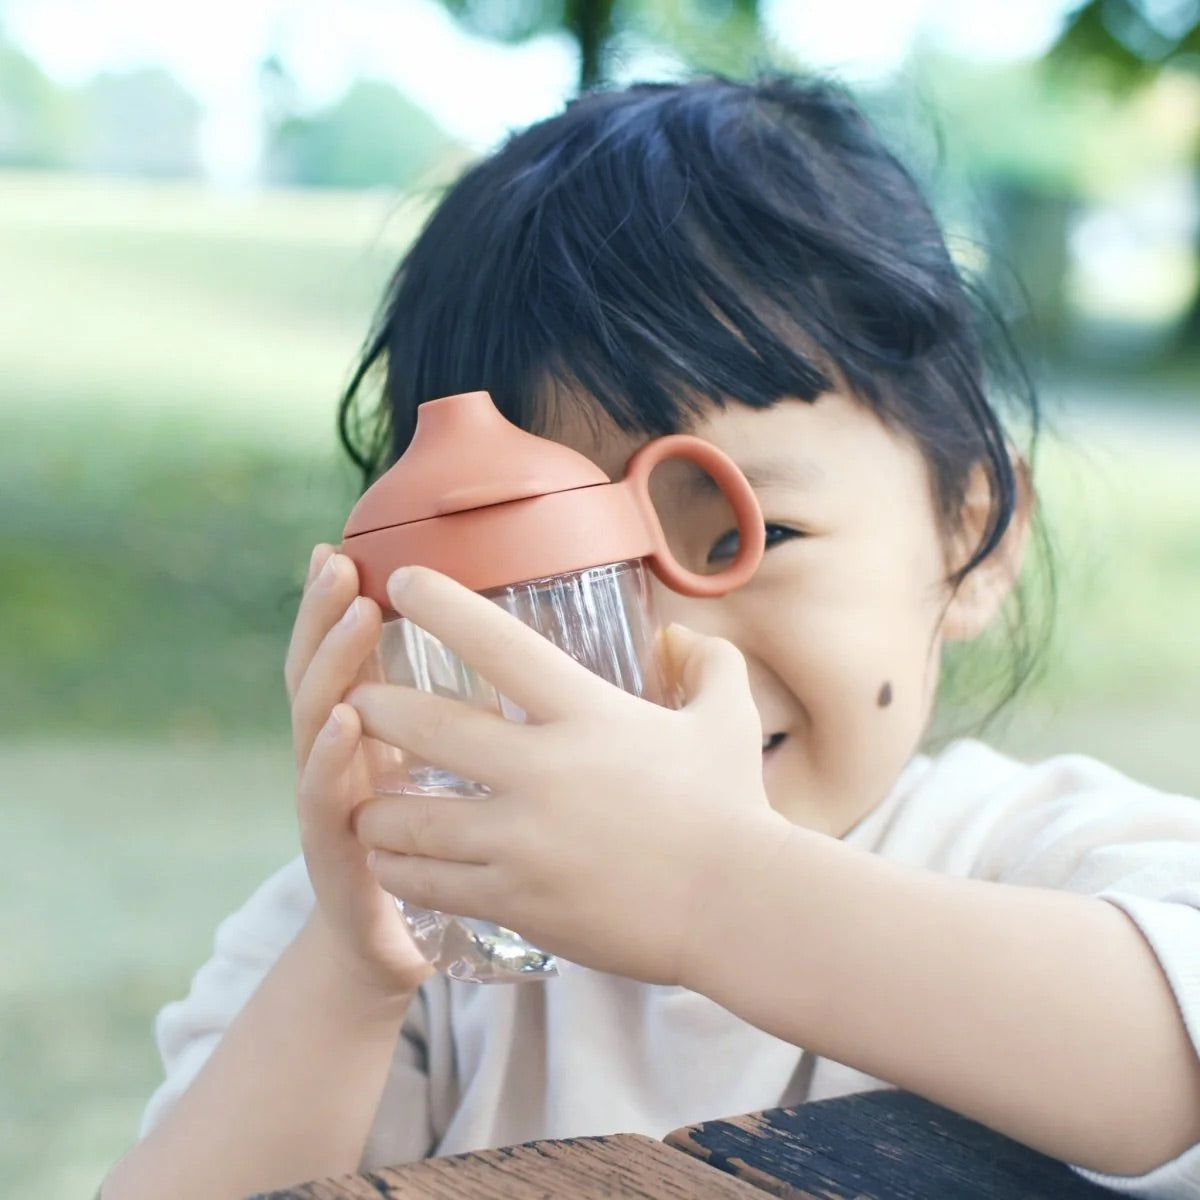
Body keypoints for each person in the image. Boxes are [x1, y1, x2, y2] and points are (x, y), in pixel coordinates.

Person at [101, 75, 1200, 1200]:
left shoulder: (1030, 858)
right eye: (545, 576)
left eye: (751, 532)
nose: (661, 650)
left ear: (973, 538)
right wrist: (352, 975)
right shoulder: (409, 933)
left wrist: (716, 895)